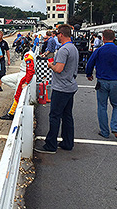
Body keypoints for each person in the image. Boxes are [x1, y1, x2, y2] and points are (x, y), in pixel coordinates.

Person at [34, 24, 79, 154]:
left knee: (54, 116)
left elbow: (58, 69)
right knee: (67, 116)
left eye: (57, 34)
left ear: (61, 34)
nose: (56, 37)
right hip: (70, 86)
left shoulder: (64, 50)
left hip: (61, 88)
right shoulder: (73, 48)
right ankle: (67, 142)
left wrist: (50, 65)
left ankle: (51, 144)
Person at [85, 29, 117, 140]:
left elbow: (90, 63)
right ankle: (115, 127)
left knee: (102, 106)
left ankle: (104, 131)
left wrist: (89, 74)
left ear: (103, 38)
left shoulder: (99, 50)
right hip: (116, 82)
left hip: (102, 81)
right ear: (114, 38)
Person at [0, 51, 35, 120]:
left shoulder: (28, 55)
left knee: (17, 95)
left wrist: (27, 82)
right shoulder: (29, 53)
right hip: (21, 73)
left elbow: (30, 70)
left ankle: (11, 113)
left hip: (24, 76)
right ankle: (16, 88)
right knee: (4, 79)